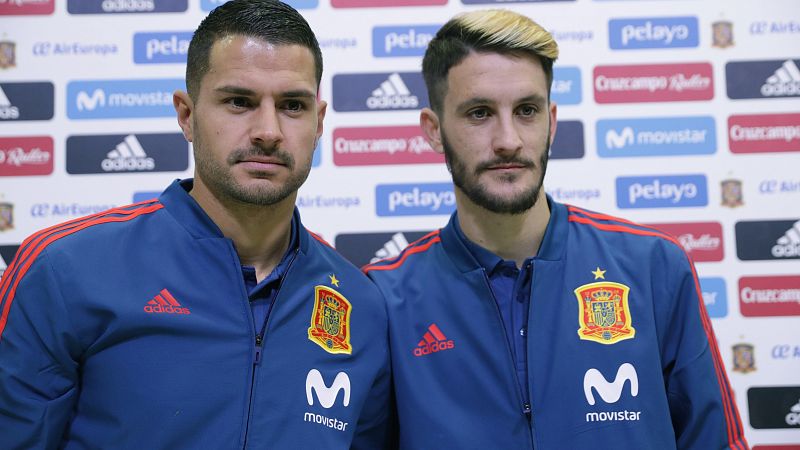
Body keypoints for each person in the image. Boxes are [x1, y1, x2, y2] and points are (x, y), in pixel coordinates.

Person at [0, 1, 392, 448]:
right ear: (186, 115)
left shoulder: (360, 304)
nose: (268, 130)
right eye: (239, 102)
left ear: (319, 122)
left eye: (292, 105)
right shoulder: (65, 269)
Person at [363, 9, 748, 450]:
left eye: (527, 110)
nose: (508, 139)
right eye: (479, 113)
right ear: (434, 131)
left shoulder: (654, 266)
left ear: (552, 121)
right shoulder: (385, 298)